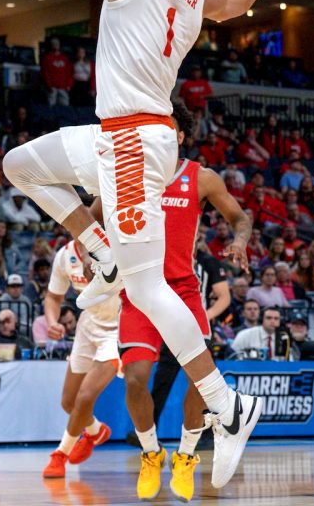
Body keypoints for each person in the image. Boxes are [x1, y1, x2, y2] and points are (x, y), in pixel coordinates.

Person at [2, 0, 280, 494]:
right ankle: (96, 248)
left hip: (132, 141)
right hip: (120, 137)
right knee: (19, 164)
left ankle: (226, 406)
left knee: (150, 289)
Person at [108, 103, 253, 500]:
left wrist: (239, 242)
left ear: (180, 136)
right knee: (136, 379)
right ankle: (151, 453)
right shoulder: (126, 175)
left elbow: (241, 217)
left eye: (165, 128)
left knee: (199, 382)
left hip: (182, 292)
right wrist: (92, 250)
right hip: (138, 291)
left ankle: (187, 456)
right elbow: (90, 215)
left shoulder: (200, 178)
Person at [40, 236, 121, 480]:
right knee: (69, 402)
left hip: (119, 327)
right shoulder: (65, 255)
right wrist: (52, 322)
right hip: (87, 326)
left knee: (85, 397)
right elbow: (53, 297)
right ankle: (95, 431)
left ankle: (60, 454)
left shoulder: (118, 245)